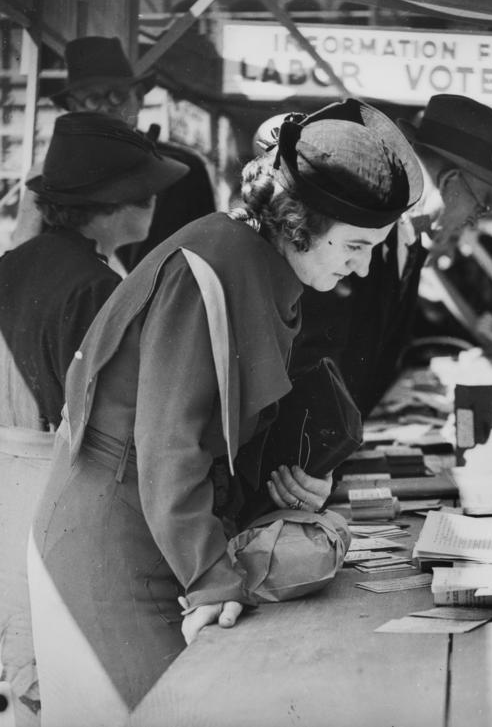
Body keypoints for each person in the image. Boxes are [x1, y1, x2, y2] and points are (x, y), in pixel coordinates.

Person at [27, 99, 422, 725]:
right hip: (116, 536)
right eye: (354, 244)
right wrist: (211, 576)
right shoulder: (209, 268)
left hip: (167, 525)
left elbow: (231, 427)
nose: (363, 264)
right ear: (300, 221)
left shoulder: (259, 265)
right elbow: (169, 442)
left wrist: (290, 481)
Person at [0, 111, 187, 727]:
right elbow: (117, 423)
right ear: (117, 202)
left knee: (21, 682)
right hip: (56, 493)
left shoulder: (14, 265)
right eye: (147, 192)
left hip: (6, 485)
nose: (155, 204)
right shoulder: (96, 286)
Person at [286, 94, 492, 417]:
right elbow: (312, 355)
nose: (478, 216)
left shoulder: (413, 240)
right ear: (451, 182)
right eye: (482, 202)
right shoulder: (361, 225)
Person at [13, 36, 216, 269]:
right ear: (74, 107)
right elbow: (24, 254)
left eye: (117, 94)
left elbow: (209, 254)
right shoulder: (47, 176)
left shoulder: (186, 169)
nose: (107, 106)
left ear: (139, 97)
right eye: (92, 99)